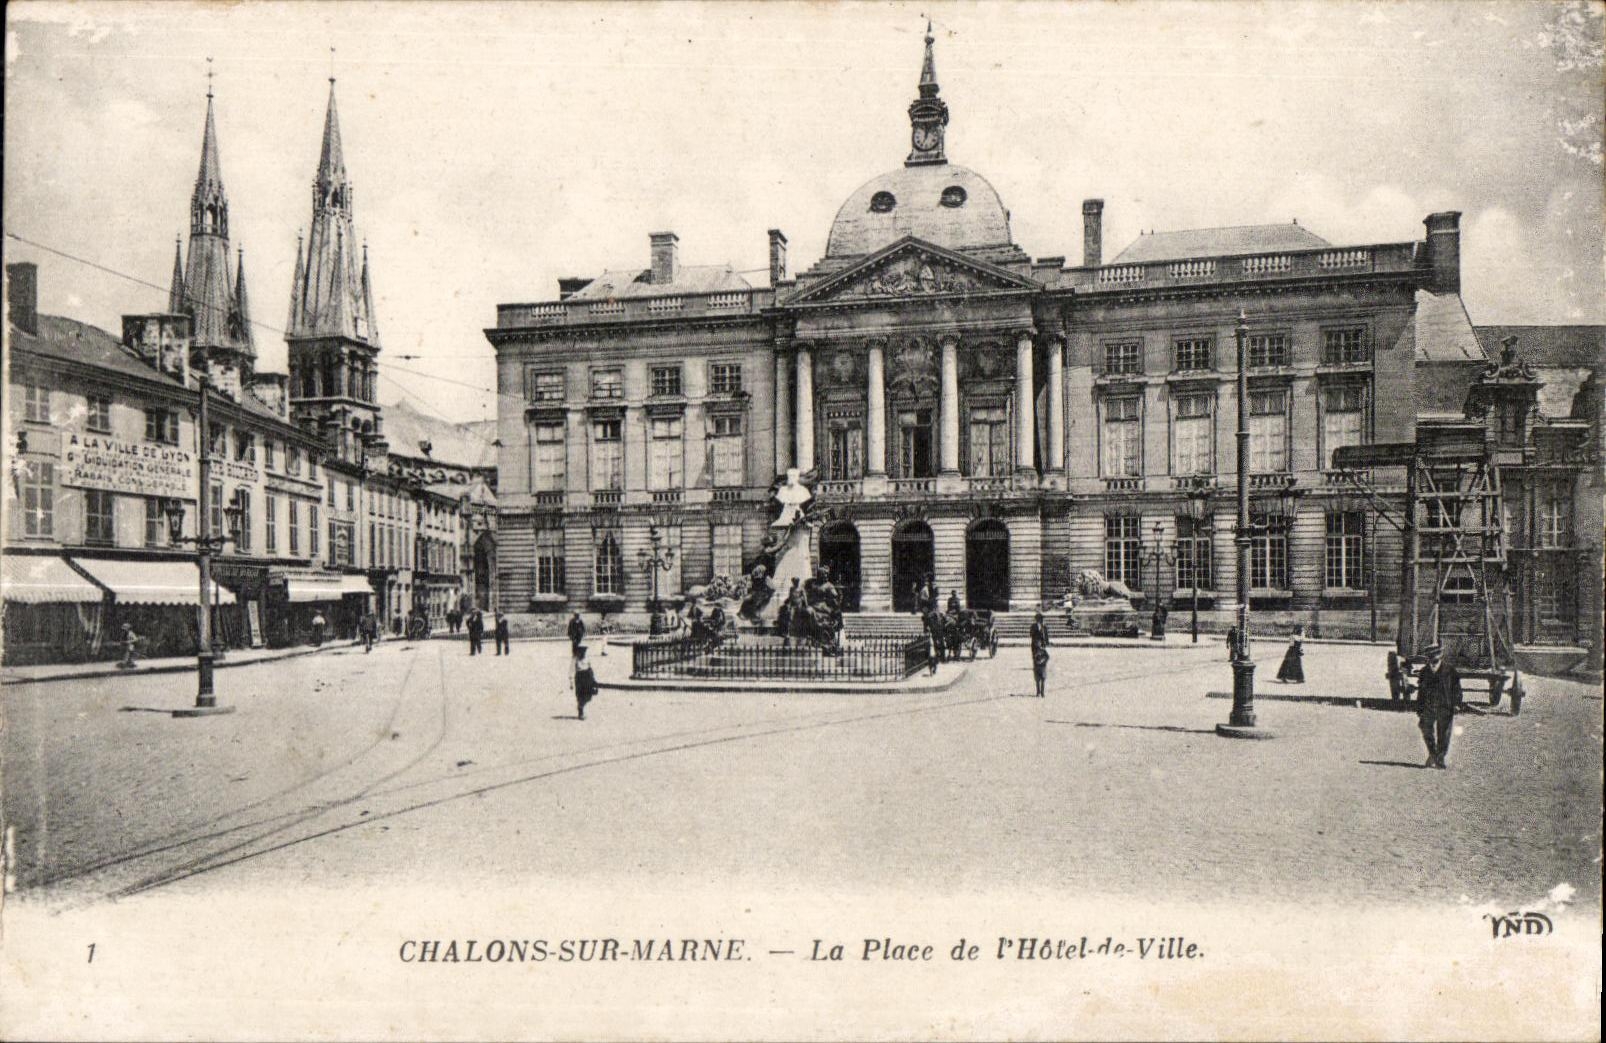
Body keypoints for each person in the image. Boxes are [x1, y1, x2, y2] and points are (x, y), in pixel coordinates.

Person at [1415, 643, 1462, 769]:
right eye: (1430, 656)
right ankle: (1432, 753)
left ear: (1440, 655)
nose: (1434, 658)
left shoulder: (1450, 671)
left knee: (1444, 733)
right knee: (1426, 729)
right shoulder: (1424, 672)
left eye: (1436, 655)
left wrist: (1457, 704)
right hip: (1428, 706)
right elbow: (1421, 691)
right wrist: (1419, 707)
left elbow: (1457, 689)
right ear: (1428, 658)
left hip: (1445, 706)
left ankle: (1440, 757)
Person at [573, 645, 597, 720]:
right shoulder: (575, 660)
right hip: (579, 678)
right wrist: (571, 682)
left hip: (587, 677)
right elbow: (571, 671)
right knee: (580, 695)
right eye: (581, 651)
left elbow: (590, 669)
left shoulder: (587, 659)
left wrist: (593, 679)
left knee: (588, 695)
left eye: (584, 651)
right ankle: (581, 711)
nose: (583, 653)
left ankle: (581, 706)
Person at [1029, 611, 1050, 698]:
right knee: (1036, 672)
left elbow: (1046, 636)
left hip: (1042, 647)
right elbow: (1031, 635)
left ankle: (1042, 692)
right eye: (1039, 619)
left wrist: (1045, 643)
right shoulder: (1033, 626)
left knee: (1043, 675)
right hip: (1035, 648)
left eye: (1041, 619)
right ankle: (1038, 691)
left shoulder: (1044, 627)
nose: (1041, 620)